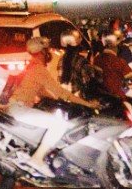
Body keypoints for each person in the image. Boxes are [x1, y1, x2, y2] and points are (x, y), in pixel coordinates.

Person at [7, 36, 99, 177]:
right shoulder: (39, 69)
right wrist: (87, 104)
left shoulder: (31, 67)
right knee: (59, 124)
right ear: (42, 52)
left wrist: (58, 99)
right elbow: (61, 92)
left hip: (15, 107)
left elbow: (42, 92)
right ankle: (37, 159)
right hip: (20, 109)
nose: (49, 52)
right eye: (47, 50)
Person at [59, 27, 96, 94]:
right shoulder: (81, 61)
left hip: (64, 96)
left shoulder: (61, 60)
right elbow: (90, 81)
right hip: (78, 98)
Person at [94, 32, 132, 97]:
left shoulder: (96, 59)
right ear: (112, 46)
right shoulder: (118, 61)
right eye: (118, 45)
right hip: (118, 95)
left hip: (102, 94)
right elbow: (129, 76)